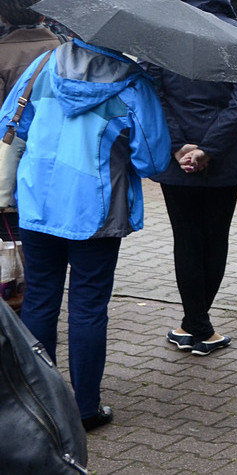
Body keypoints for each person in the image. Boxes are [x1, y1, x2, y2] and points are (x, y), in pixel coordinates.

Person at [1, 25, 170, 432]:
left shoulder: (42, 66)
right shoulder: (132, 84)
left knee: (40, 299)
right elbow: (152, 159)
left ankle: (39, 399)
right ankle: (86, 409)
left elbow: (11, 122)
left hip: (38, 203)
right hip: (95, 212)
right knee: (88, 306)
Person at [147, 0, 237, 356]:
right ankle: (200, 325)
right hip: (224, 157)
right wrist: (210, 148)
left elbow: (153, 93)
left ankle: (192, 323)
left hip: (175, 158)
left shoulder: (161, 32)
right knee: (215, 239)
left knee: (186, 240)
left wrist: (179, 145)